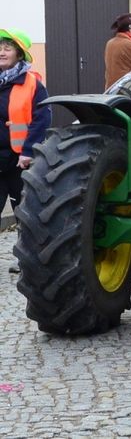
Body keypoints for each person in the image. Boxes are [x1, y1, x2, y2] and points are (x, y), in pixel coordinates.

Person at [1, 29, 50, 274]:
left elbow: (42, 119)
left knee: (25, 212)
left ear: (19, 54)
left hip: (19, 160)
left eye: (7, 47)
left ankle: (27, 259)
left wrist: (29, 151)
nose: (1, 52)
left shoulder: (31, 83)